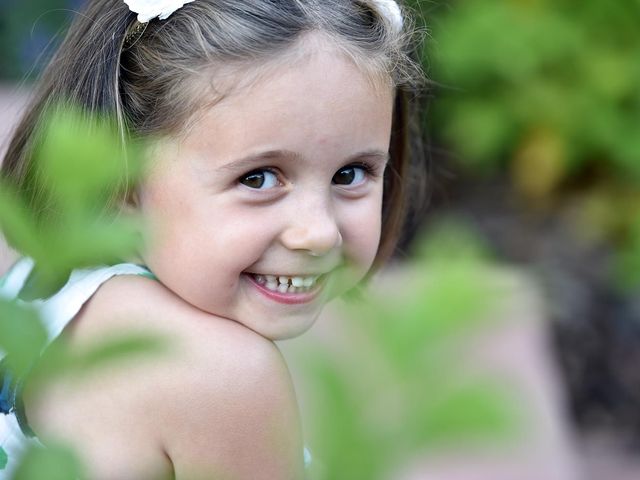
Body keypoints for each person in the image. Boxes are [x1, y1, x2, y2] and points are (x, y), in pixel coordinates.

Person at [0, 0, 424, 478]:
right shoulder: (224, 375)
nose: (319, 233)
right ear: (124, 175)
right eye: (260, 179)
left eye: (351, 173)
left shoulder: (42, 280)